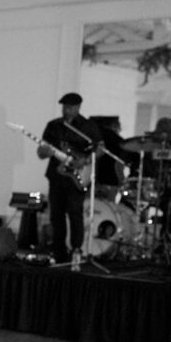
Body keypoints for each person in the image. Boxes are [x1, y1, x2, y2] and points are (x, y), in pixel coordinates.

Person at [37, 92, 104, 269]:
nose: (67, 110)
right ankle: (59, 253)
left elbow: (100, 149)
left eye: (71, 107)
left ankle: (76, 251)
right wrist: (46, 152)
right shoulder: (54, 126)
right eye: (64, 107)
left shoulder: (88, 126)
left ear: (78, 107)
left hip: (77, 176)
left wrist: (86, 160)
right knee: (56, 215)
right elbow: (41, 152)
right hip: (57, 175)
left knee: (75, 212)